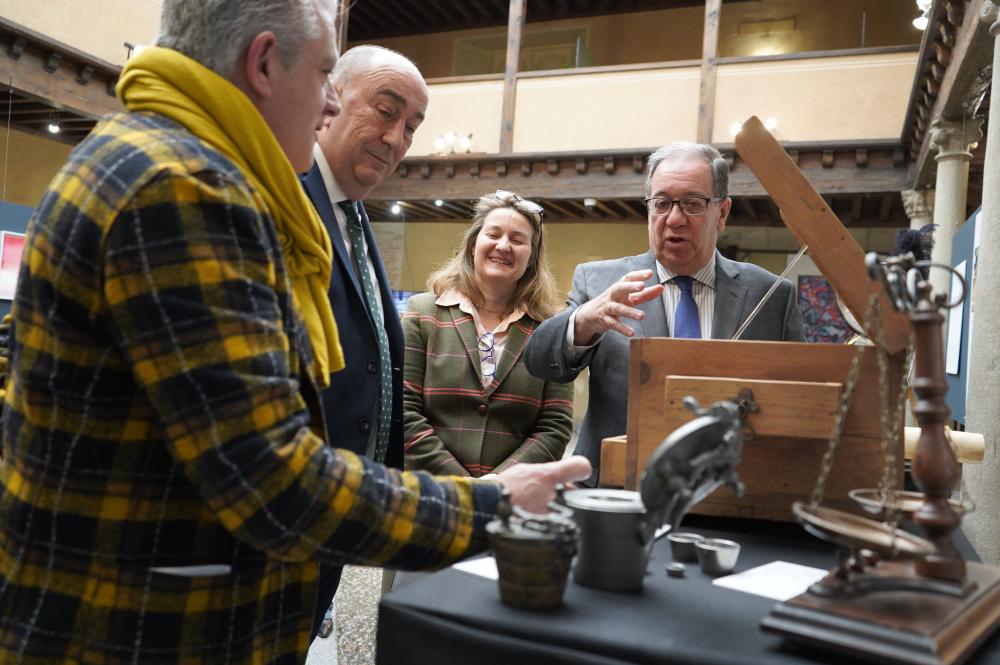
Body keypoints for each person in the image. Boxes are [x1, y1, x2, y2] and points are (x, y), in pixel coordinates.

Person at [0, 2, 591, 663]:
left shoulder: (172, 162)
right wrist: (490, 505)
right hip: (148, 623)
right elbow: (269, 476)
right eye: (323, 75)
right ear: (262, 64)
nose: (329, 102)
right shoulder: (185, 186)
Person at [524, 142, 804, 486]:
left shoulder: (772, 295)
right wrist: (581, 321)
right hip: (617, 488)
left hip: (730, 491)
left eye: (692, 204)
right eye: (662, 203)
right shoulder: (599, 281)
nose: (674, 219)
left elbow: (800, 401)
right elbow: (539, 362)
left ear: (722, 212)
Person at [300, 44, 427, 640]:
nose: (397, 138)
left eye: (412, 126)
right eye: (386, 111)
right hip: (293, 506)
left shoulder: (353, 214)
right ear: (332, 98)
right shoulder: (289, 196)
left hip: (338, 515)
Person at [403, 190, 574, 477]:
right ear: (473, 245)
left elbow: (554, 427)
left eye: (517, 240)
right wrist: (465, 486)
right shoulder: (422, 313)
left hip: (512, 495)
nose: (503, 246)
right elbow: (404, 410)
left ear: (531, 257)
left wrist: (497, 485)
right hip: (431, 490)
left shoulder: (551, 329)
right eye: (493, 234)